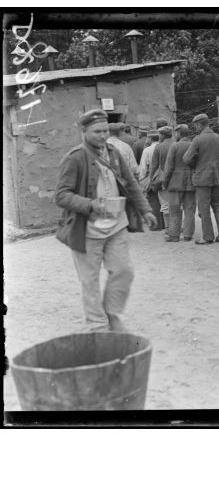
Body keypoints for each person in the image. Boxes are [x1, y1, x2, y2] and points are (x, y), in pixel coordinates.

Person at [54, 109, 157, 332]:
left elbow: (130, 183)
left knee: (124, 270)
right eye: (97, 131)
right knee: (89, 281)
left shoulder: (113, 153)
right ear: (84, 132)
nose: (103, 135)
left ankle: (111, 313)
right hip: (86, 230)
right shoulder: (75, 158)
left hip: (116, 225)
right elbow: (61, 195)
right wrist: (90, 204)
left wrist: (145, 210)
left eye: (105, 131)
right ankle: (97, 325)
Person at [183, 113, 219, 244]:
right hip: (218, 176)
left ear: (199, 124)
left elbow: (186, 159)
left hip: (202, 178)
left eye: (195, 125)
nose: (195, 128)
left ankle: (208, 237)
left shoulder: (197, 139)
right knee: (218, 204)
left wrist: (195, 164)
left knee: (204, 207)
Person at [162, 124, 197, 242]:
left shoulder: (174, 146)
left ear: (178, 133)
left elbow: (169, 167)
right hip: (191, 183)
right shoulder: (194, 145)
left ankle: (174, 235)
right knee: (189, 210)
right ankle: (188, 235)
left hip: (175, 183)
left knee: (175, 211)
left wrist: (165, 182)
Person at [106, 122, 143, 232]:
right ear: (119, 133)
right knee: (123, 205)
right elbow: (134, 169)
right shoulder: (125, 147)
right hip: (123, 182)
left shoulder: (99, 146)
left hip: (106, 183)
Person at [150, 125, 174, 234]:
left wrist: (151, 179)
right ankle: (177, 226)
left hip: (163, 180)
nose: (158, 136)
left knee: (164, 204)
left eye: (159, 134)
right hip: (176, 179)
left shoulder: (159, 147)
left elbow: (154, 165)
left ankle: (168, 228)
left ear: (163, 135)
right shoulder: (176, 143)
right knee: (176, 203)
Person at [139, 130, 163, 229]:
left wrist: (141, 179)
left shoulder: (147, 150)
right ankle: (166, 225)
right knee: (165, 201)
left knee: (153, 200)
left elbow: (143, 167)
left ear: (150, 138)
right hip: (164, 176)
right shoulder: (163, 146)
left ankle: (155, 225)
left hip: (151, 176)